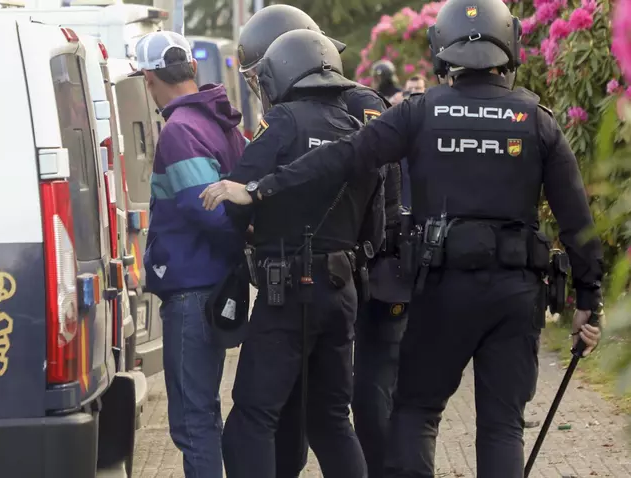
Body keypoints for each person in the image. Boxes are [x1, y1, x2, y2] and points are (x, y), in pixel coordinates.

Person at [200, 0, 604, 476]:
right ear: (511, 46)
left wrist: (260, 187)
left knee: (416, 412)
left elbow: (344, 157)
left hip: (442, 291)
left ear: (441, 47)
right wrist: (588, 300)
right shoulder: (538, 119)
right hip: (515, 296)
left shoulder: (421, 111)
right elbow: (576, 220)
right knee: (502, 428)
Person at [234, 6, 399, 476]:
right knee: (330, 419)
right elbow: (377, 212)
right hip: (346, 283)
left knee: (254, 416)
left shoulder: (287, 120)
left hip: (295, 286)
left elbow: (238, 193)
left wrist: (255, 227)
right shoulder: (358, 122)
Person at [129, 30, 246, 478]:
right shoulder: (221, 122)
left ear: (148, 78)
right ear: (193, 68)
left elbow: (207, 210)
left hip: (191, 292)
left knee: (193, 421)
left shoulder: (179, 130)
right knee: (205, 411)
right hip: (217, 286)